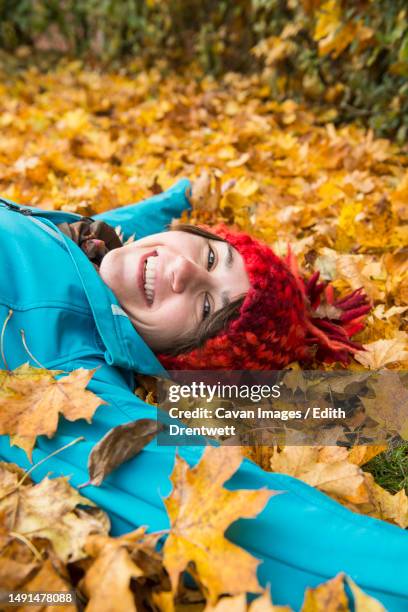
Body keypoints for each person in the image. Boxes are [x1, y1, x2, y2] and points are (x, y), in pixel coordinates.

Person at [0, 179, 407, 610]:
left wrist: (386, 408)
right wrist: (181, 196)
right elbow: (121, 227)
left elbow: (267, 531)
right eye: (213, 255)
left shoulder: (62, 369)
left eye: (207, 308)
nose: (184, 269)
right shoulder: (93, 244)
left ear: (180, 358)